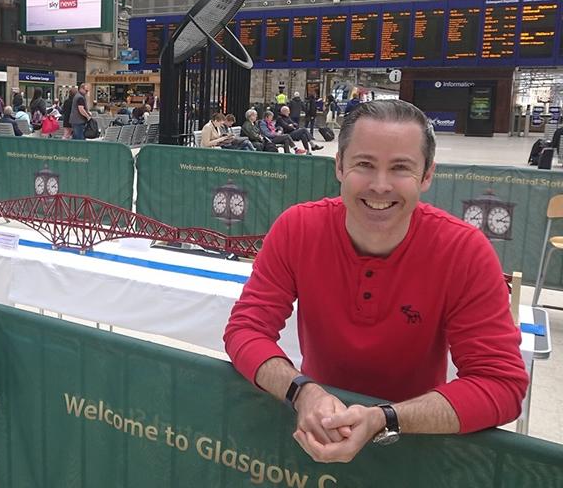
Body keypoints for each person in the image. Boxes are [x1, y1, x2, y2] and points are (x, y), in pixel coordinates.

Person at [224, 100, 528, 464]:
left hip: (417, 445)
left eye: (400, 168)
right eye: (364, 165)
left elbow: (501, 384)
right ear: (339, 166)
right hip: (315, 433)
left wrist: (386, 418)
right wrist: (303, 393)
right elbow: (246, 329)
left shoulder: (464, 251)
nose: (380, 185)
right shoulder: (297, 228)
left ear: (427, 175)